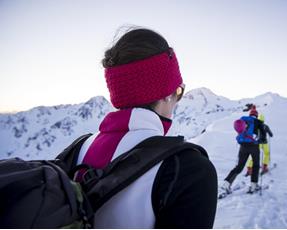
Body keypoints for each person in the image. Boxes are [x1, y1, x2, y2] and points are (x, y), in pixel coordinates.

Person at [75, 28, 217, 228]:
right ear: (167, 94)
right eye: (179, 90)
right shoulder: (188, 169)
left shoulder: (77, 149)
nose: (177, 99)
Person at [222, 105, 265, 193]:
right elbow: (263, 136)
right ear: (256, 115)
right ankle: (253, 185)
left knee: (239, 166)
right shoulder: (259, 122)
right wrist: (261, 141)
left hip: (243, 146)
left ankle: (226, 183)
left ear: (250, 115)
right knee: (255, 165)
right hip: (254, 146)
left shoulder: (243, 120)